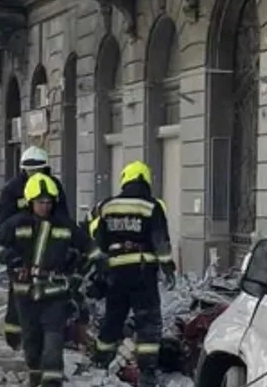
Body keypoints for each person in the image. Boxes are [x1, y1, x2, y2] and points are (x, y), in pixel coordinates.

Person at [0, 174, 90, 387]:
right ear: (30, 202)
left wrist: (79, 276)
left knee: (53, 344)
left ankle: (52, 382)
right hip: (25, 295)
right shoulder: (15, 224)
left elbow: (91, 250)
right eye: (40, 202)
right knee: (32, 344)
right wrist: (10, 259)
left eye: (49, 202)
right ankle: (35, 377)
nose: (45, 207)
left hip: (55, 294)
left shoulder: (65, 226)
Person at [90, 161, 175, 387]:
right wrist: (168, 267)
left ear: (125, 180)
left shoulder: (108, 207)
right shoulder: (152, 206)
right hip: (142, 273)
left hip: (115, 273)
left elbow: (98, 242)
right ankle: (147, 372)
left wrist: (99, 272)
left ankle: (100, 361)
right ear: (145, 180)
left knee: (113, 318)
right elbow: (160, 241)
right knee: (147, 321)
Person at [0, 146, 71, 348]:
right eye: (30, 170)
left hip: (49, 247)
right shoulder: (12, 189)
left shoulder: (54, 187)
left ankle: (45, 338)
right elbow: (1, 219)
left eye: (37, 170)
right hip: (21, 248)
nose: (33, 174)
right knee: (18, 293)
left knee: (51, 295)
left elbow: (63, 217)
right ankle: (14, 338)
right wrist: (11, 242)